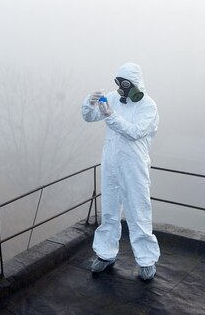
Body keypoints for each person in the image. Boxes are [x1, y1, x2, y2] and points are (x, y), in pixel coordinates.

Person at [81, 62, 160, 281]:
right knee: (109, 210)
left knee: (138, 211)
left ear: (135, 83)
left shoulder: (148, 106)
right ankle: (105, 254)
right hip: (111, 163)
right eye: (119, 83)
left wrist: (111, 116)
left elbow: (135, 132)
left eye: (125, 84)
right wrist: (89, 103)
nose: (121, 89)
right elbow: (89, 117)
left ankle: (146, 260)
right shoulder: (114, 99)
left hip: (134, 165)